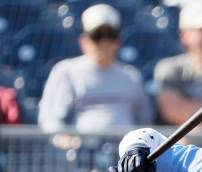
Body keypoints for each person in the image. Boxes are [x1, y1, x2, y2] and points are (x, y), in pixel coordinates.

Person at [38, 4, 152, 133]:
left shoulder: (131, 75)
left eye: (110, 35)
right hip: (81, 151)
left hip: (126, 151)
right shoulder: (66, 72)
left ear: (118, 41)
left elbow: (144, 120)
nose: (104, 43)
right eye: (97, 36)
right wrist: (64, 138)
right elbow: (50, 119)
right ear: (83, 40)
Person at [154, 1, 202, 127]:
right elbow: (174, 111)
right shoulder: (170, 69)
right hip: (185, 146)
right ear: (185, 34)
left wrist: (194, 117)